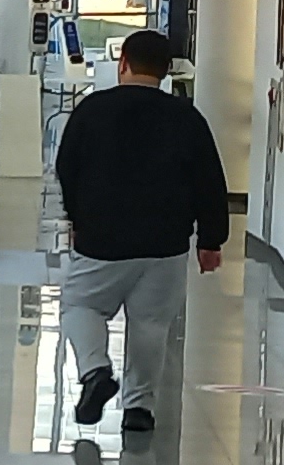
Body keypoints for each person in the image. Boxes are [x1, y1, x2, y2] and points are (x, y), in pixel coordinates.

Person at [55, 30, 232, 433]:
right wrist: (211, 240)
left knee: (81, 306)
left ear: (123, 63)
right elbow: (209, 181)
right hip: (165, 242)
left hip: (102, 238)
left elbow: (67, 168)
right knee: (151, 324)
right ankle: (138, 409)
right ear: (166, 71)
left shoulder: (92, 110)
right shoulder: (186, 118)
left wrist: (77, 218)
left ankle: (95, 371)